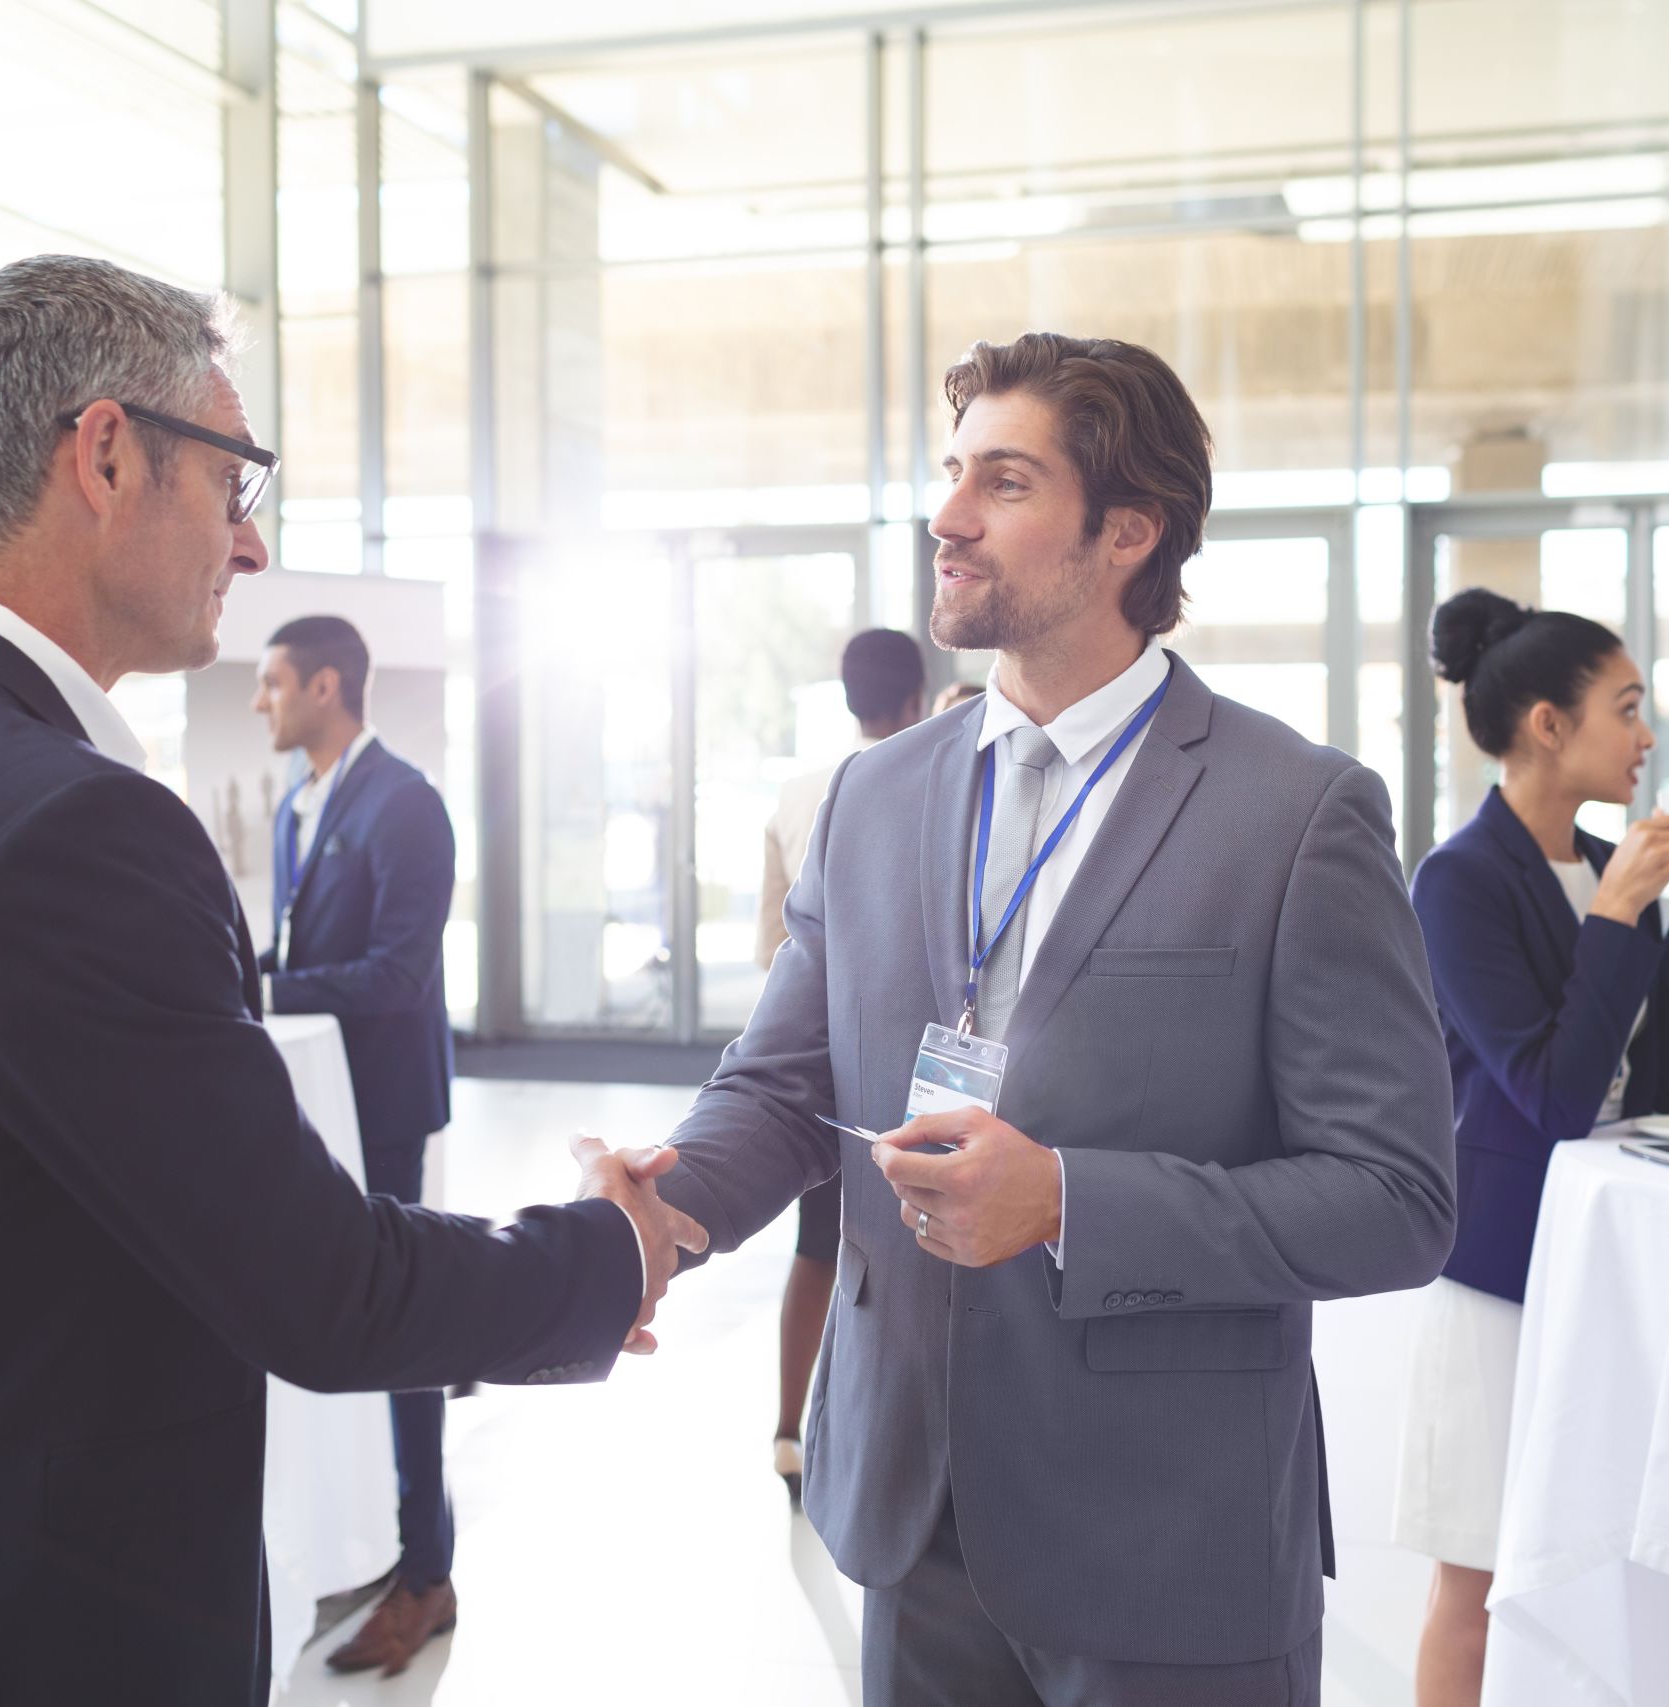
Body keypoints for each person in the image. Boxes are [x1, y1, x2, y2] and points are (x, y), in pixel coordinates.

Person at [0, 254, 704, 1707]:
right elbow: (322, 1289)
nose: (251, 545)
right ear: (103, 453)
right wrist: (606, 1251)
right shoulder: (67, 823)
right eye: (234, 480)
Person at [625, 333, 1458, 1706]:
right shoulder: (869, 796)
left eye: (1002, 483)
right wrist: (665, 1205)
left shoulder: (1297, 811)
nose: (948, 515)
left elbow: (1396, 1194)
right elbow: (781, 1086)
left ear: (1126, 531)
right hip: (910, 1510)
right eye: (953, 471)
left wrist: (1068, 1197)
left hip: (1168, 1531)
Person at [1397, 588, 1669, 1707]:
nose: (1647, 738)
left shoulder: (1616, 867)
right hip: (1500, 1269)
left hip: (1606, 1255)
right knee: (1479, 1581)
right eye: (1626, 708)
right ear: (1548, 723)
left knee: (1614, 1572)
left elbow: (1663, 1094)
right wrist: (1612, 915)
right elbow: (1551, 1098)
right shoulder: (1457, 880)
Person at [248, 612, 463, 1676]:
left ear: (327, 687)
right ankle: (373, 1544)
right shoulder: (299, 805)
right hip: (319, 1109)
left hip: (381, 1106)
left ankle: (427, 1572)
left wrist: (258, 986)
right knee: (337, 1326)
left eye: (273, 683)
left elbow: (395, 976)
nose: (260, 703)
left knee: (402, 1332)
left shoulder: (405, 804)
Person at [756, 626, 928, 1505]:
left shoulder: (796, 793)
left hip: (822, 1064)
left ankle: (790, 1430)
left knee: (817, 1244)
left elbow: (772, 953)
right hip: (916, 1077)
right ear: (916, 698)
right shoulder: (933, 782)